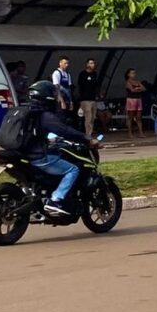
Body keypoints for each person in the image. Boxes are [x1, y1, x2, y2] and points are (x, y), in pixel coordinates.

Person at [26, 80, 97, 216]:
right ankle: (56, 200)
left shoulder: (25, 112)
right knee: (73, 169)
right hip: (37, 156)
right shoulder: (45, 116)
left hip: (22, 154)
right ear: (47, 96)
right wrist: (87, 139)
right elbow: (65, 131)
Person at [77, 58, 101, 138]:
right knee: (88, 117)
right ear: (87, 64)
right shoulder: (82, 74)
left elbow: (96, 86)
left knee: (93, 118)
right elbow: (80, 87)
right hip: (85, 99)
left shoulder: (95, 74)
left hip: (93, 99)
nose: (92, 65)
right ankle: (88, 135)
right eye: (90, 63)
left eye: (93, 63)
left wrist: (98, 94)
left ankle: (90, 132)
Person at [124, 68, 146, 138]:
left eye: (134, 73)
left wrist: (138, 89)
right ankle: (130, 133)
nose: (134, 74)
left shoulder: (137, 81)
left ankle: (141, 133)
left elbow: (144, 88)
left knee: (139, 117)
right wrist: (138, 89)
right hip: (131, 100)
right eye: (132, 73)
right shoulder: (128, 82)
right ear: (128, 74)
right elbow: (132, 90)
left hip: (138, 100)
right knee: (130, 117)